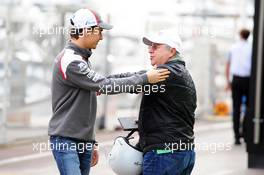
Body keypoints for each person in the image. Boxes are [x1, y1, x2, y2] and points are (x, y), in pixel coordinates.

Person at [48, 8, 170, 175]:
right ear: (85, 30)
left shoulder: (80, 59)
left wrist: (91, 141)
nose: (101, 37)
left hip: (81, 141)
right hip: (66, 140)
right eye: (99, 31)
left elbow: (96, 90)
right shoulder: (71, 61)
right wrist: (144, 79)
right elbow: (105, 85)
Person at [137, 29, 197, 175]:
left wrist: (100, 84)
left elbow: (135, 79)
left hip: (164, 153)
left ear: (172, 51)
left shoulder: (166, 73)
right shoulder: (182, 73)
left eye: (156, 46)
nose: (150, 50)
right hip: (183, 151)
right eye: (150, 46)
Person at [226, 28, 252, 145]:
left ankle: (236, 136)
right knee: (249, 107)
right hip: (248, 80)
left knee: (236, 108)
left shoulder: (233, 47)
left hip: (236, 80)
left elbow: (228, 65)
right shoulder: (251, 48)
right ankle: (246, 133)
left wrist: (228, 81)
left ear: (240, 35)